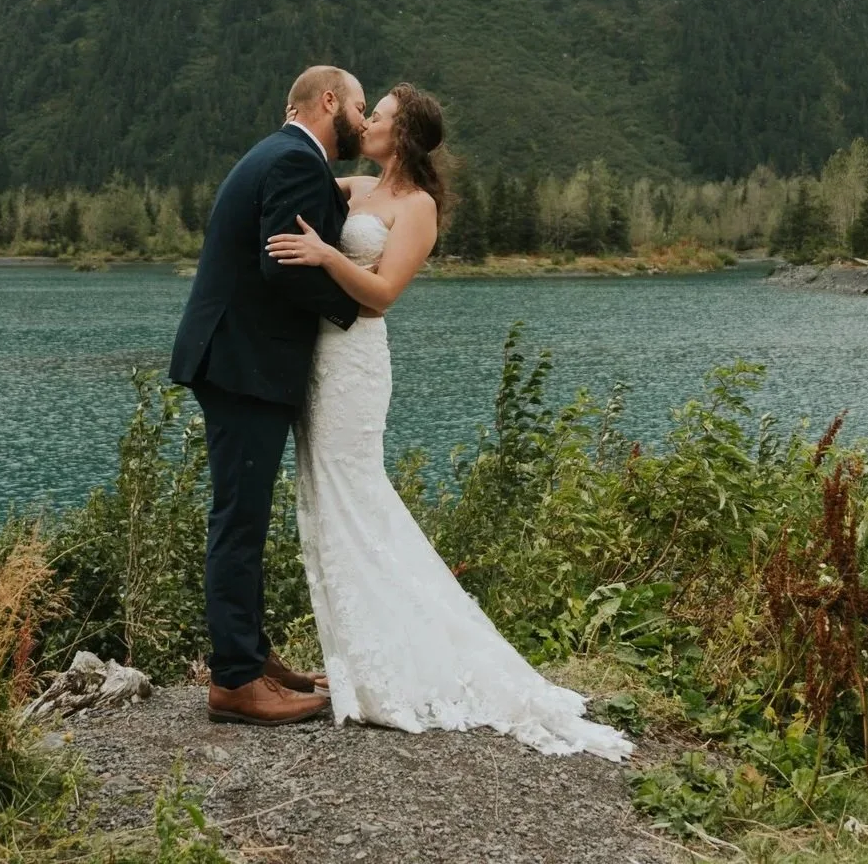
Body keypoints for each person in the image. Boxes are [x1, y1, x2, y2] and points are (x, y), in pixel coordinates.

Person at [265, 83, 632, 760]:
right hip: (317, 361)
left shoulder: (419, 207)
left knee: (359, 496)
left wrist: (325, 256)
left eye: (376, 114)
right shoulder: (353, 189)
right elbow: (296, 171)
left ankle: (394, 665)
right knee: (324, 498)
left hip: (356, 363)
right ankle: (357, 657)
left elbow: (380, 297)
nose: (364, 119)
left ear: (402, 134)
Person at [168, 64, 370, 726]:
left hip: (235, 356)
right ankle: (234, 680)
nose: (363, 124)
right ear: (329, 100)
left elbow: (295, 234)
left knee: (244, 514)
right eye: (360, 108)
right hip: (241, 361)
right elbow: (281, 258)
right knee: (240, 520)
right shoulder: (292, 158)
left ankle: (252, 656)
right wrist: (359, 310)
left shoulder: (282, 155)